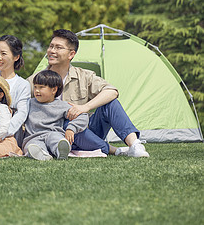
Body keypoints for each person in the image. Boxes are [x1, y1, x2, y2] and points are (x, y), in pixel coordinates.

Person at [27, 29, 149, 157]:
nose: (52, 51)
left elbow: (112, 91)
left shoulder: (84, 76)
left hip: (85, 129)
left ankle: (135, 145)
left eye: (58, 47)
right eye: (51, 46)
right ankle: (114, 150)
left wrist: (85, 107)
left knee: (111, 103)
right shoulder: (35, 80)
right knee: (68, 121)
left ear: (71, 54)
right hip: (56, 135)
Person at [23, 70, 88, 161]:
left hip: (53, 133)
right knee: (32, 145)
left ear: (54, 90)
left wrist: (71, 128)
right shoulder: (28, 103)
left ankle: (61, 151)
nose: (37, 91)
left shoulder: (62, 105)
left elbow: (82, 115)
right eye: (35, 87)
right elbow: (17, 113)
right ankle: (42, 155)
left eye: (41, 87)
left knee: (56, 139)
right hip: (33, 136)